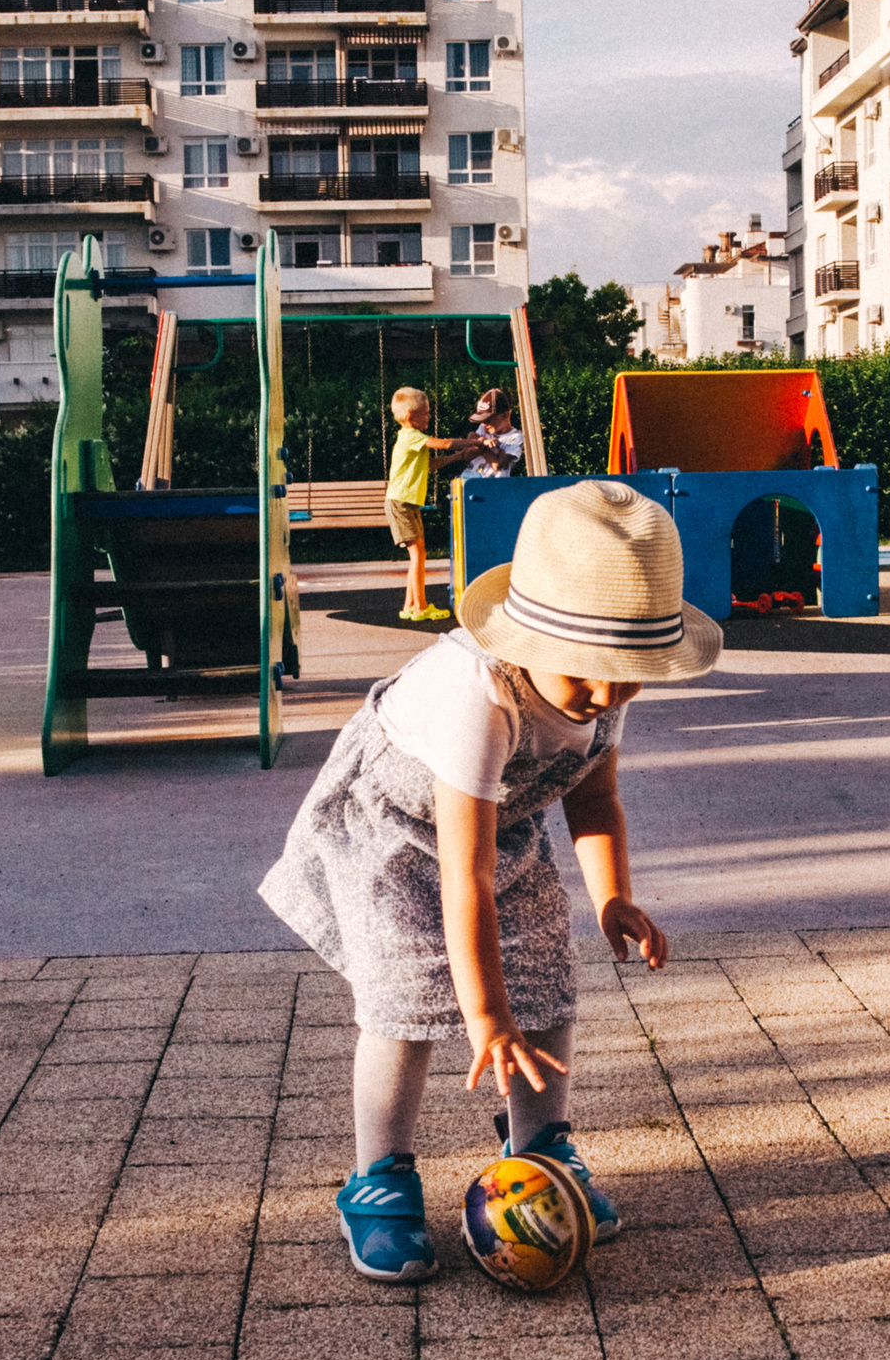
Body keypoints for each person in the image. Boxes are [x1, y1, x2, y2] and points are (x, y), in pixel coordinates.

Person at [258, 481, 721, 1282]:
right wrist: (486, 1016)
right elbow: (461, 879)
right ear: (530, 638)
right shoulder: (477, 695)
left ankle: (540, 1151)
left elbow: (596, 795)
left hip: (501, 827)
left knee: (547, 974)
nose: (609, 695)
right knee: (404, 1000)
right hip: (395, 837)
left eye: (630, 674)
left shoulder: (603, 681)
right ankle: (378, 1180)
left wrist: (612, 895)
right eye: (590, 678)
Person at [385, 386, 475, 623]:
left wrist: (458, 457)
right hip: (401, 502)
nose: (429, 416)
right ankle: (421, 607)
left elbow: (430, 464)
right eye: (425, 413)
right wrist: (474, 443)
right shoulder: (411, 435)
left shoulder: (411, 439)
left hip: (406, 502)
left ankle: (410, 605)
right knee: (418, 553)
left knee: (418, 554)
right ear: (409, 417)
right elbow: (444, 443)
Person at [464, 388, 524, 479]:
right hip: (470, 480)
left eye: (489, 419)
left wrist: (481, 445)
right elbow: (467, 454)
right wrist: (483, 441)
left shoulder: (516, 437)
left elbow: (497, 464)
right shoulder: (483, 428)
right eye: (483, 420)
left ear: (505, 415)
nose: (484, 423)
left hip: (493, 486)